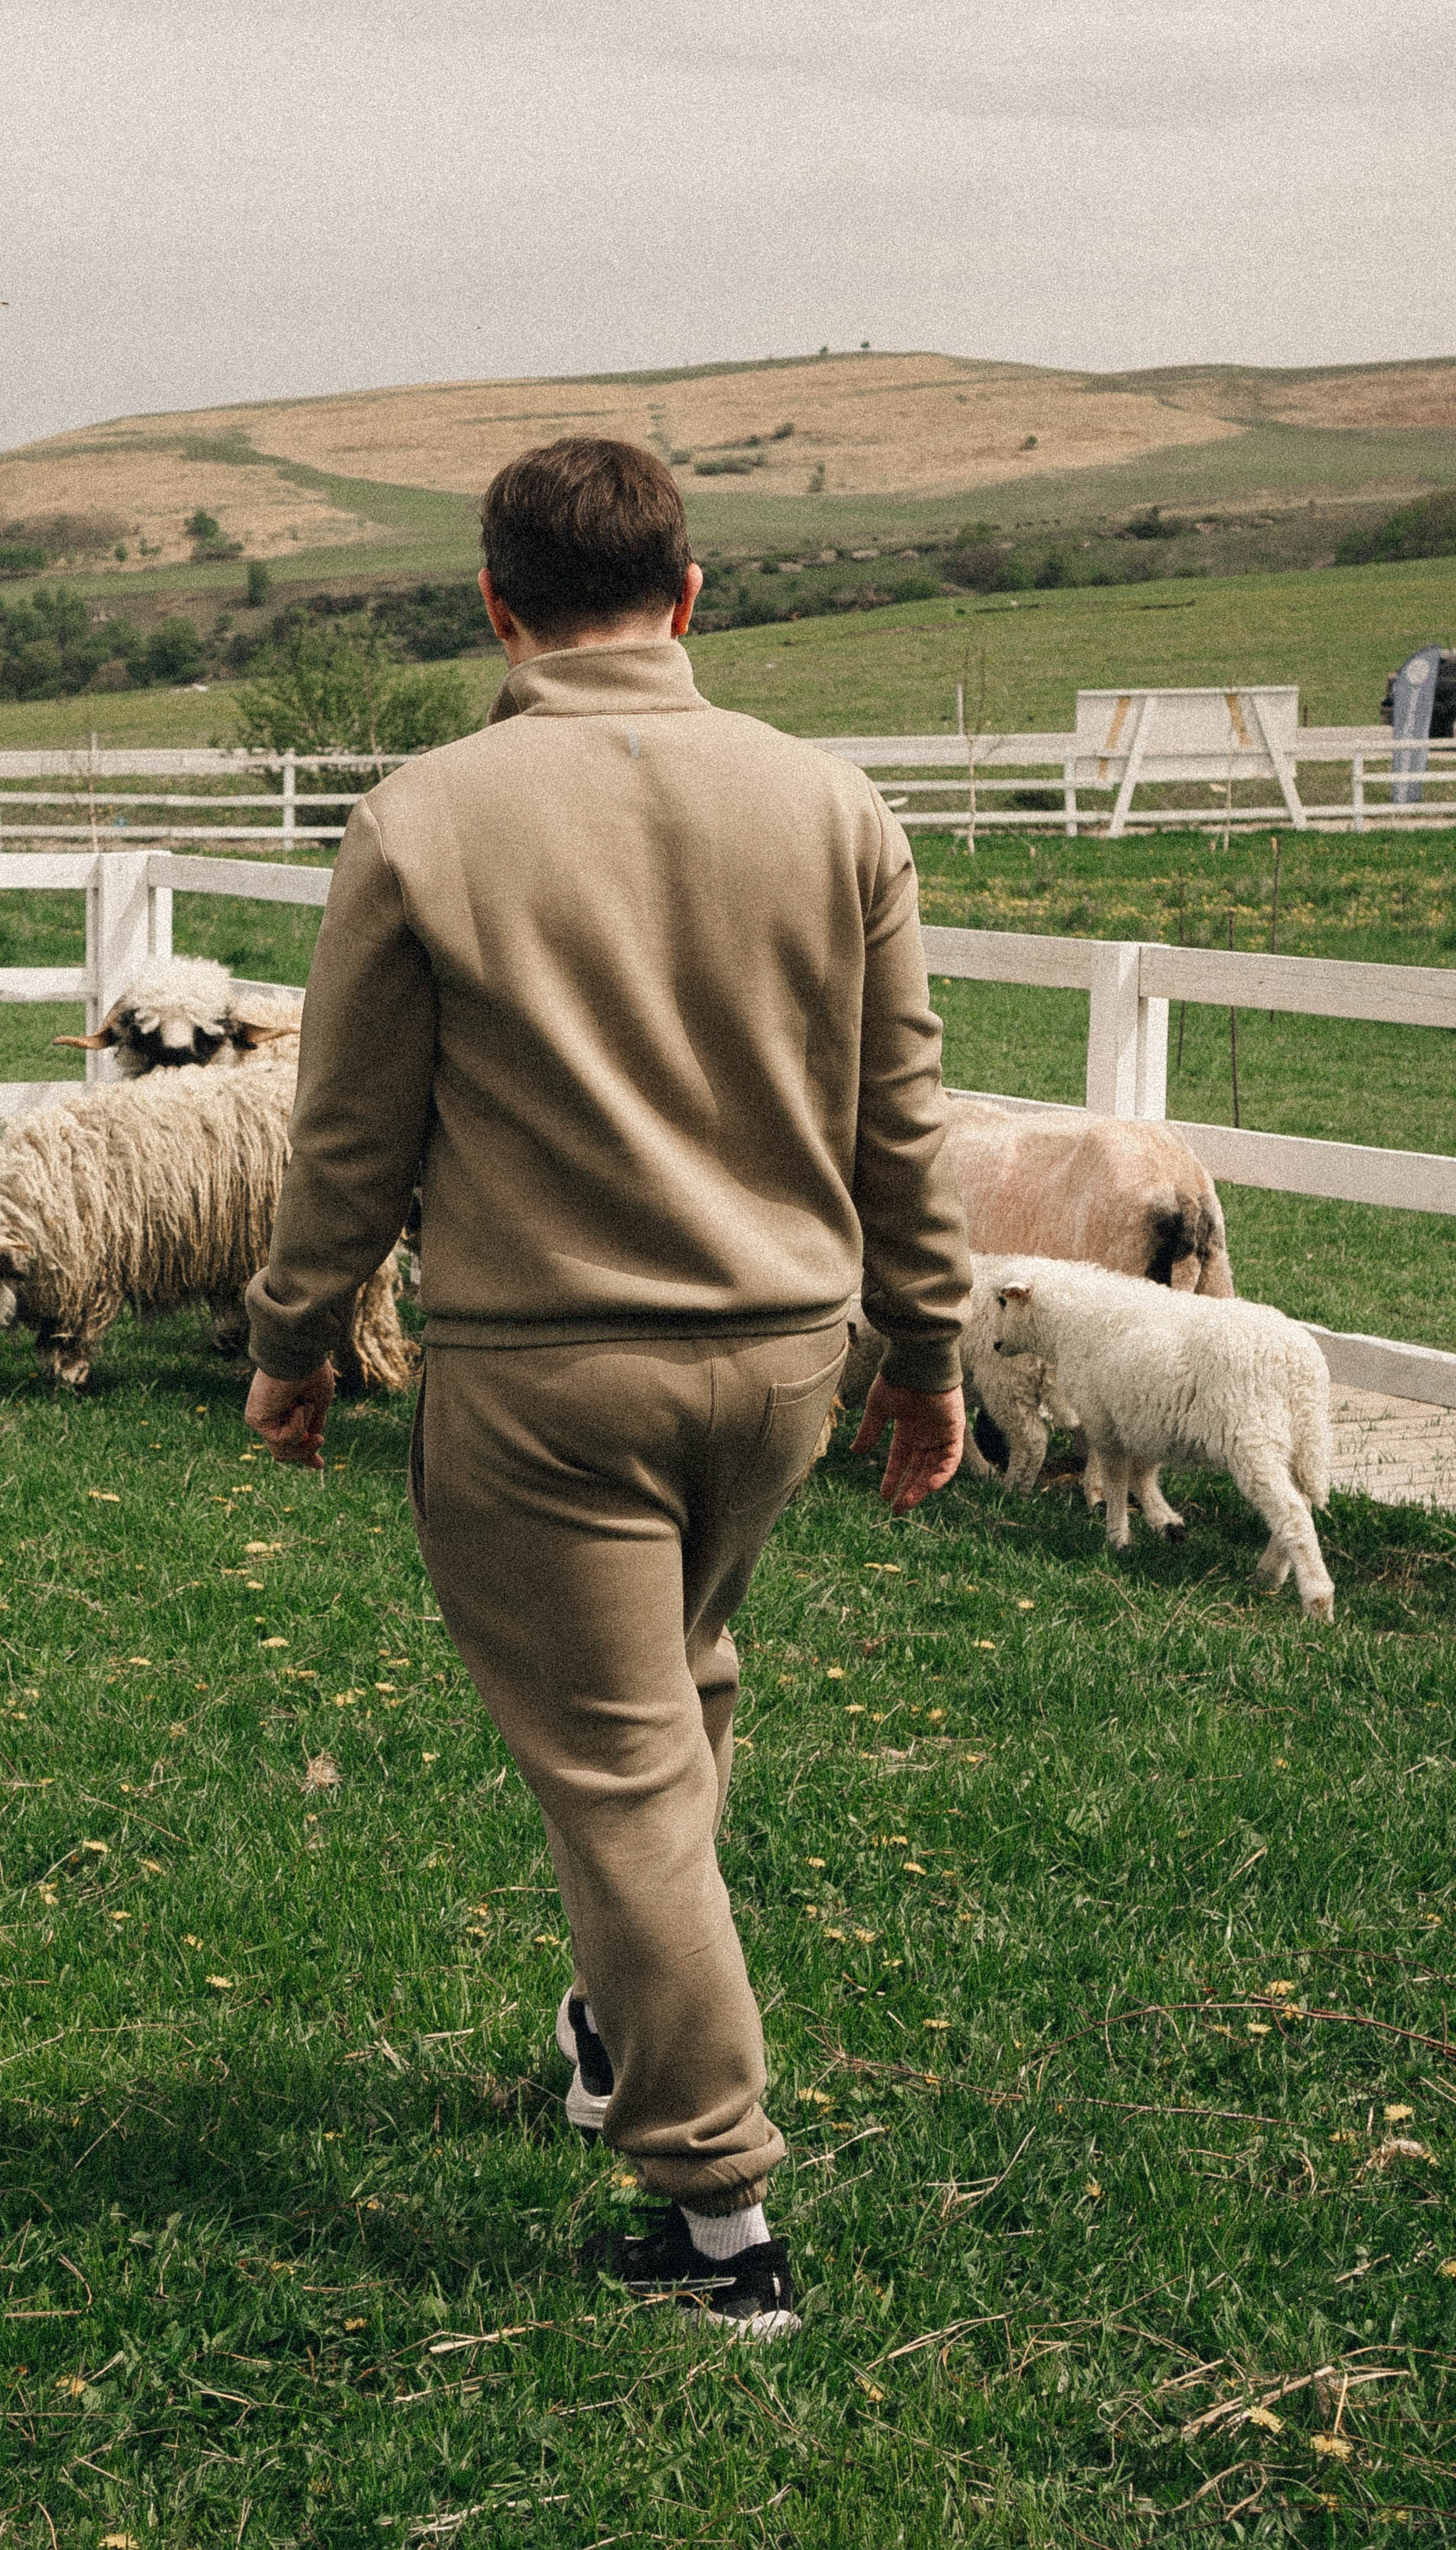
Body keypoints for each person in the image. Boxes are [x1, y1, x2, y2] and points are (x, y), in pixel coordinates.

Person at [245, 437, 969, 2339]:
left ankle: (718, 2226)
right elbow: (902, 1120)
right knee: (682, 1695)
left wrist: (295, 1344)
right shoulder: (832, 806)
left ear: (492, 603)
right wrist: (929, 1353)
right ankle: (609, 2024)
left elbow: (346, 1139)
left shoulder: (423, 816)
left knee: (626, 1782)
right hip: (781, 1369)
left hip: (546, 1377)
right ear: (689, 588)